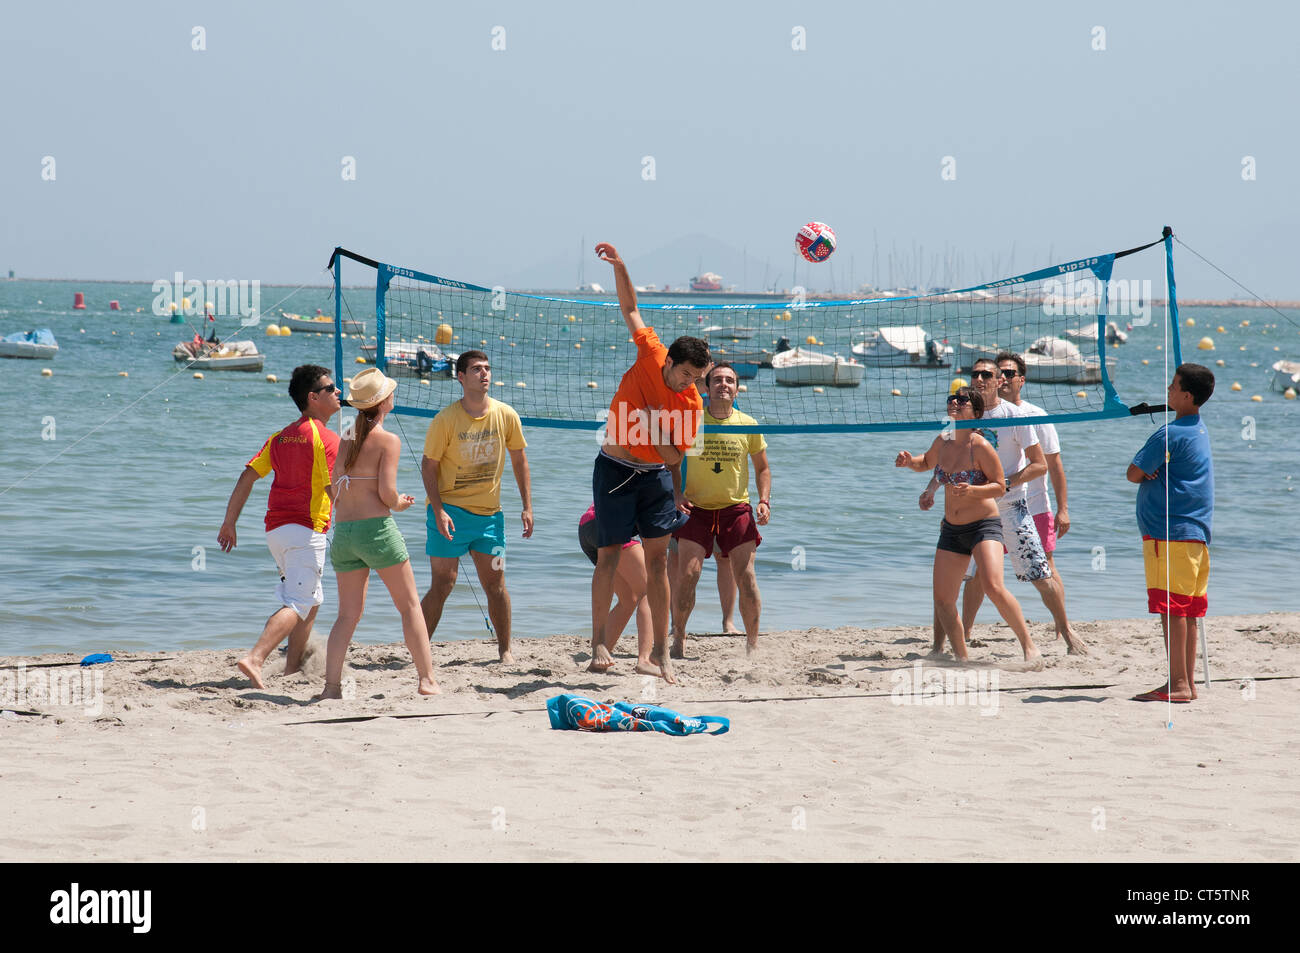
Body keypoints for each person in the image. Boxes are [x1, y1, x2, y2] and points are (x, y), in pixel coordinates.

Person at [589, 241, 710, 683]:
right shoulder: (651, 352)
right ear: (671, 361)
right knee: (607, 558)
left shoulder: (692, 403)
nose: (690, 384)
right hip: (615, 469)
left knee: (660, 563)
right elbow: (630, 306)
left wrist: (653, 427)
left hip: (656, 474)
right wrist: (621, 266)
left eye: (697, 379)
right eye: (686, 374)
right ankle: (600, 640)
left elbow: (677, 456)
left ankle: (661, 650)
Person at [896, 387, 1042, 666]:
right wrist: (908, 462)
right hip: (952, 529)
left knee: (993, 586)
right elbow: (926, 463)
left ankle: (1029, 646)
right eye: (952, 398)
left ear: (975, 413)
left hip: (983, 526)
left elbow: (1000, 487)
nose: (955, 402)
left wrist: (973, 491)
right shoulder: (944, 440)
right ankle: (961, 658)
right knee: (943, 600)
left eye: (962, 400)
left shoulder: (981, 446)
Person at [317, 369, 440, 699]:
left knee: (347, 615)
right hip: (377, 532)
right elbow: (387, 493)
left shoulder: (347, 436)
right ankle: (427, 681)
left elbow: (334, 490)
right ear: (384, 401)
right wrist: (400, 504)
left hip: (343, 534)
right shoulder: (388, 440)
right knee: (410, 606)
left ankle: (330, 687)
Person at [219, 364, 341, 689]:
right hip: (306, 531)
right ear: (313, 398)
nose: (338, 392)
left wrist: (229, 522)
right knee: (298, 602)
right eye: (331, 388)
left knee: (311, 600)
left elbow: (247, 476)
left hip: (276, 532)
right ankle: (256, 657)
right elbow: (334, 490)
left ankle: (291, 669)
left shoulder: (280, 436)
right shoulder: (327, 439)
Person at [956, 353, 1088, 654]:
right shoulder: (965, 415)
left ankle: (1066, 632)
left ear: (1000, 381)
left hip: (1013, 508)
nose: (979, 380)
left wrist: (1004, 484)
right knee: (975, 577)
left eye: (986, 375)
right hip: (978, 510)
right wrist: (935, 489)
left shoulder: (1017, 416)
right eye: (975, 375)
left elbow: (1041, 464)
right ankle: (962, 636)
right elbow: (947, 457)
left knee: (1041, 574)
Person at [421, 350, 532, 663]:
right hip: (449, 513)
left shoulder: (506, 414)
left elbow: (519, 459)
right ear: (460, 377)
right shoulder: (445, 420)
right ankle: (419, 647)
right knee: (443, 583)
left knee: (496, 584)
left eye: (487, 368)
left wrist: (527, 506)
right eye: (476, 370)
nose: (484, 374)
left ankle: (505, 651)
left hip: (489, 518)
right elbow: (428, 467)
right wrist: (439, 510)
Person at [1127, 364, 1215, 703]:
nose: (1168, 388)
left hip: (1170, 533)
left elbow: (1133, 473)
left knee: (1172, 610)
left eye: (1174, 385)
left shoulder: (1171, 433)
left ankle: (1177, 685)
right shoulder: (1198, 429)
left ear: (1187, 395)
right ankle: (1186, 684)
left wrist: (1149, 471)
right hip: (1194, 534)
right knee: (1187, 611)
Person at [671, 362, 771, 657]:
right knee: (688, 575)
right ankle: (679, 639)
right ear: (707, 387)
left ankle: (752, 644)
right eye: (717, 380)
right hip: (696, 509)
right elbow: (672, 461)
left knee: (747, 577)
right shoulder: (691, 420)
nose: (723, 384)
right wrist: (676, 493)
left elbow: (763, 468)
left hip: (736, 509)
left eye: (729, 380)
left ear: (737, 389)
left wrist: (764, 501)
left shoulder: (748, 424)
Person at [579, 504, 653, 670]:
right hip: (610, 527)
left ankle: (600, 657)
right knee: (649, 591)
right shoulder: (658, 488)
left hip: (586, 527)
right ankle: (645, 660)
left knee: (628, 599)